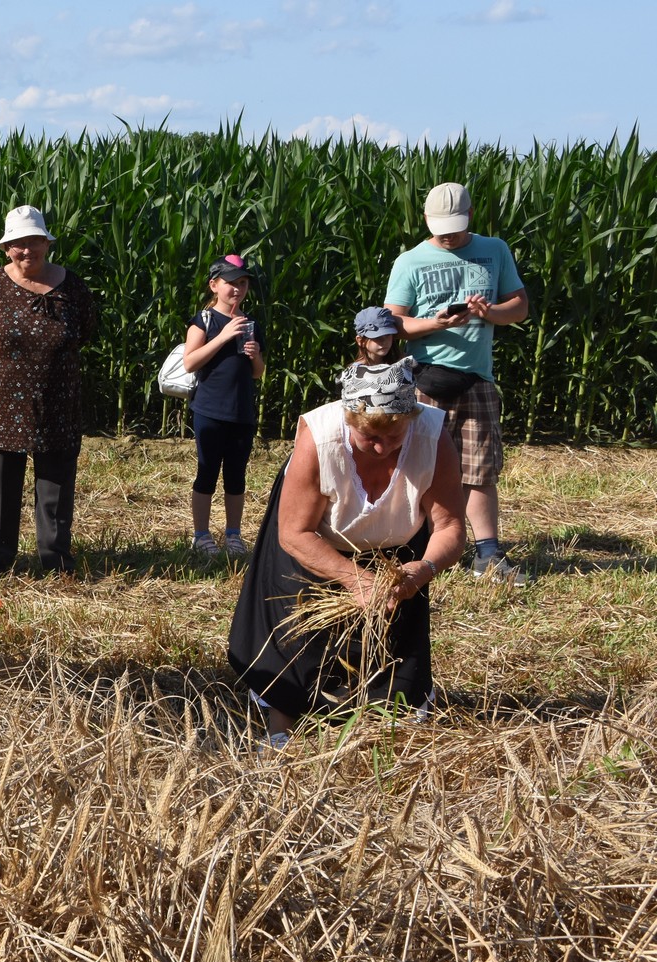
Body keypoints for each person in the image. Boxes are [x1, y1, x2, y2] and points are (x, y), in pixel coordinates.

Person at [227, 355, 465, 749]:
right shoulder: (319, 436)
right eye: (369, 437)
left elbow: (452, 527)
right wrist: (352, 577)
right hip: (314, 540)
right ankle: (280, 724)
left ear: (411, 419)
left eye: (393, 438)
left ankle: (385, 716)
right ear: (349, 420)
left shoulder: (432, 436)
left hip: (395, 548)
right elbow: (295, 532)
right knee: (297, 633)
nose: (381, 447)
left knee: (392, 644)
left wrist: (423, 568)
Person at [385, 181, 530, 585]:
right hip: (424, 379)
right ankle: (415, 546)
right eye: (438, 225)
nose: (446, 233)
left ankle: (488, 554)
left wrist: (491, 312)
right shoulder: (410, 261)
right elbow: (392, 323)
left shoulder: (494, 250)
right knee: (414, 466)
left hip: (476, 378)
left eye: (454, 225)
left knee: (480, 469)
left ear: (470, 216)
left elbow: (519, 306)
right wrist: (436, 323)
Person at [0, 205, 97, 574]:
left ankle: (55, 563)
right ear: (6, 248)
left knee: (55, 491)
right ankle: (0, 564)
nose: (26, 250)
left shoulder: (72, 286)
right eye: (18, 243)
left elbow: (84, 331)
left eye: (34, 241)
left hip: (58, 406)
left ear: (47, 243)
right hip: (1, 408)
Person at [181, 254, 265, 557]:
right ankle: (201, 535)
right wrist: (223, 337)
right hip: (210, 409)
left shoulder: (251, 323)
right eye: (231, 283)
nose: (237, 290)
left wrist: (254, 354)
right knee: (207, 472)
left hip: (242, 411)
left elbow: (257, 372)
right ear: (214, 285)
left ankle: (233, 535)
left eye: (242, 284)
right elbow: (190, 362)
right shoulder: (203, 320)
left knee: (236, 475)